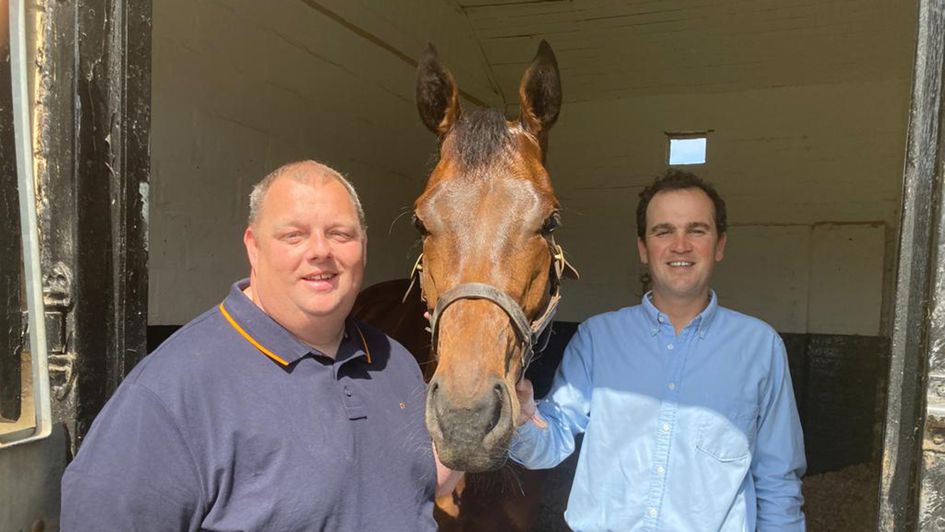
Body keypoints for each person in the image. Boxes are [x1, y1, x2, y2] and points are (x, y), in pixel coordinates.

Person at [61, 160, 460, 531]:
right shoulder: (170, 394)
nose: (320, 251)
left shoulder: (395, 364)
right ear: (253, 247)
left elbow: (415, 480)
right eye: (294, 235)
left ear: (364, 246)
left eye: (340, 234)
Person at [511, 169, 806, 531]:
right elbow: (550, 445)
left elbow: (778, 481)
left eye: (696, 230)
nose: (680, 245)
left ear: (720, 245)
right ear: (643, 248)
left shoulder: (761, 348)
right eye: (663, 231)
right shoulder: (598, 338)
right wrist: (523, 417)